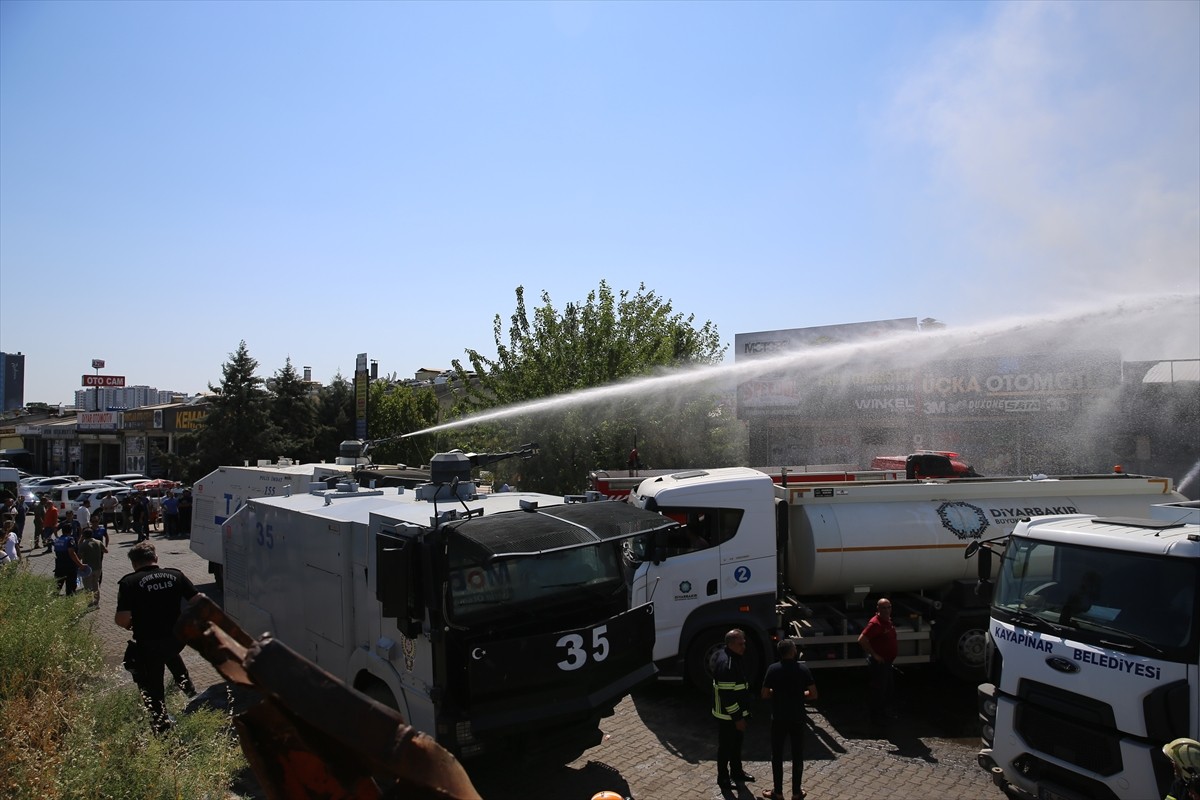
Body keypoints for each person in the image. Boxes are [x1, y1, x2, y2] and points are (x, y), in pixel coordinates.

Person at [115, 541, 201, 733]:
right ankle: (192, 695)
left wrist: (130, 624)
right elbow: (198, 601)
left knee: (154, 686)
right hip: (176, 640)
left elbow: (121, 619)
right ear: (155, 558)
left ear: (134, 563)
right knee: (172, 657)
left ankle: (161, 723)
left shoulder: (129, 582)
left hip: (149, 642)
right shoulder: (175, 575)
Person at [760, 638, 817, 800]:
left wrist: (777, 694)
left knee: (777, 755)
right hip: (797, 717)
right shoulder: (803, 670)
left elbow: (764, 694)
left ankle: (777, 792)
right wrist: (800, 695)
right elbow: (814, 694)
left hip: (778, 718)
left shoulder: (773, 669)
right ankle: (796, 793)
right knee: (797, 754)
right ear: (792, 651)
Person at [712, 628, 755, 791]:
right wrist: (738, 718)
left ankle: (736, 772)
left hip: (734, 715)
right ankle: (723, 778)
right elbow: (727, 696)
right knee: (725, 747)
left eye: (744, 643)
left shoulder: (734, 657)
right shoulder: (727, 664)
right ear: (730, 644)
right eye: (740, 644)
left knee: (736, 745)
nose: (744, 646)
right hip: (727, 716)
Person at [858, 597, 898, 728]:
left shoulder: (888, 621)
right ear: (878, 609)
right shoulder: (876, 624)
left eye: (889, 607)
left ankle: (884, 713)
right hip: (879, 664)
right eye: (884, 608)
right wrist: (874, 655)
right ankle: (875, 717)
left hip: (887, 663)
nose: (887, 610)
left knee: (888, 689)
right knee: (878, 690)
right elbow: (862, 639)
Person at [78, 527, 108, 608]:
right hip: (98, 567)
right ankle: (96, 602)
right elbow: (106, 550)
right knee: (96, 585)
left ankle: (90, 603)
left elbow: (79, 557)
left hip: (88, 569)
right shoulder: (98, 542)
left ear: (84, 535)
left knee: (87, 587)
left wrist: (80, 542)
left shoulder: (84, 545)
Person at [52, 523, 84, 595]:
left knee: (57, 587)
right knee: (70, 589)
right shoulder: (70, 540)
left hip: (59, 566)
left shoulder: (57, 540)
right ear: (71, 531)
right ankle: (69, 603)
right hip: (70, 567)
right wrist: (80, 564)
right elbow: (72, 553)